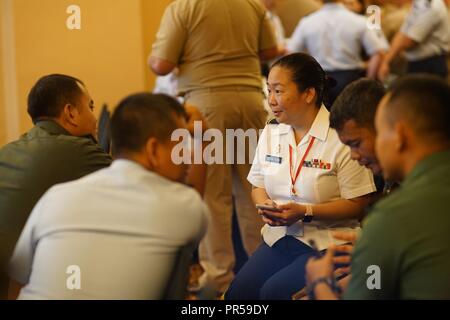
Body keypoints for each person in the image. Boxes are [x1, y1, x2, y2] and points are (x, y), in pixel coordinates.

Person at [8, 94, 209, 300]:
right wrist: (202, 138)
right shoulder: (181, 206)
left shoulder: (54, 196)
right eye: (181, 145)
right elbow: (195, 202)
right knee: (207, 291)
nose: (186, 156)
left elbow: (18, 280)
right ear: (153, 150)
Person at [149, 0, 279, 294]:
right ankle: (264, 269)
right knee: (254, 189)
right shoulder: (251, 4)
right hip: (249, 101)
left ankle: (220, 279)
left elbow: (160, 64)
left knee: (212, 194)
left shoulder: (184, 6)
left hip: (206, 105)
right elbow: (270, 51)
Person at [225, 53, 376, 300]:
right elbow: (258, 185)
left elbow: (358, 205)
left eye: (279, 91)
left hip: (329, 240)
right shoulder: (272, 131)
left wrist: (305, 211)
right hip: (280, 238)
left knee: (272, 293)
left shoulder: (339, 136)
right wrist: (266, 206)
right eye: (268, 91)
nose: (272, 100)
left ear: (308, 94)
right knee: (238, 295)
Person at [306, 74, 450, 299]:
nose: (353, 156)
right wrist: (376, 255)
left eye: (381, 131)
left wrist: (319, 283)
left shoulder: (392, 216)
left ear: (400, 135)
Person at [0, 74, 112, 299]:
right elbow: (139, 188)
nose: (95, 118)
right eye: (90, 106)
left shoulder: (7, 151)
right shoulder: (80, 150)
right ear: (71, 112)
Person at [288, 0, 388, 107]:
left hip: (318, 81)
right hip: (350, 80)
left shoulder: (307, 22)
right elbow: (377, 53)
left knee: (321, 121)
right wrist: (368, 81)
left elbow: (291, 53)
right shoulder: (358, 21)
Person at [378, 0, 450, 80]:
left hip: (430, 64)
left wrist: (388, 58)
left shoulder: (432, 6)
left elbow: (410, 41)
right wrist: (386, 61)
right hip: (417, 64)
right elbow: (402, 33)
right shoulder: (419, 3)